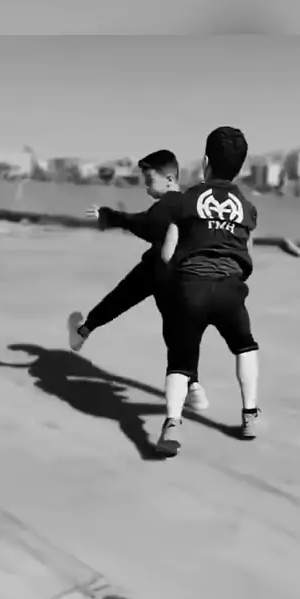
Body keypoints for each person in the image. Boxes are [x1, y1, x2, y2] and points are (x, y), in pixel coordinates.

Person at [66, 149, 209, 412]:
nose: (146, 186)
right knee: (178, 331)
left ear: (169, 179)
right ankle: (193, 387)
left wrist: (109, 216)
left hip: (159, 269)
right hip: (184, 275)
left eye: (150, 179)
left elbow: (148, 224)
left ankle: (81, 333)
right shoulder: (191, 203)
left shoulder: (170, 203)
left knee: (119, 299)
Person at [155, 127, 260, 456]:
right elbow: (246, 255)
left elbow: (168, 253)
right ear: (240, 167)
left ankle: (172, 425)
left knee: (180, 360)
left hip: (191, 289)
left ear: (205, 162)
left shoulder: (185, 200)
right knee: (245, 346)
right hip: (230, 290)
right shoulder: (247, 208)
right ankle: (250, 415)